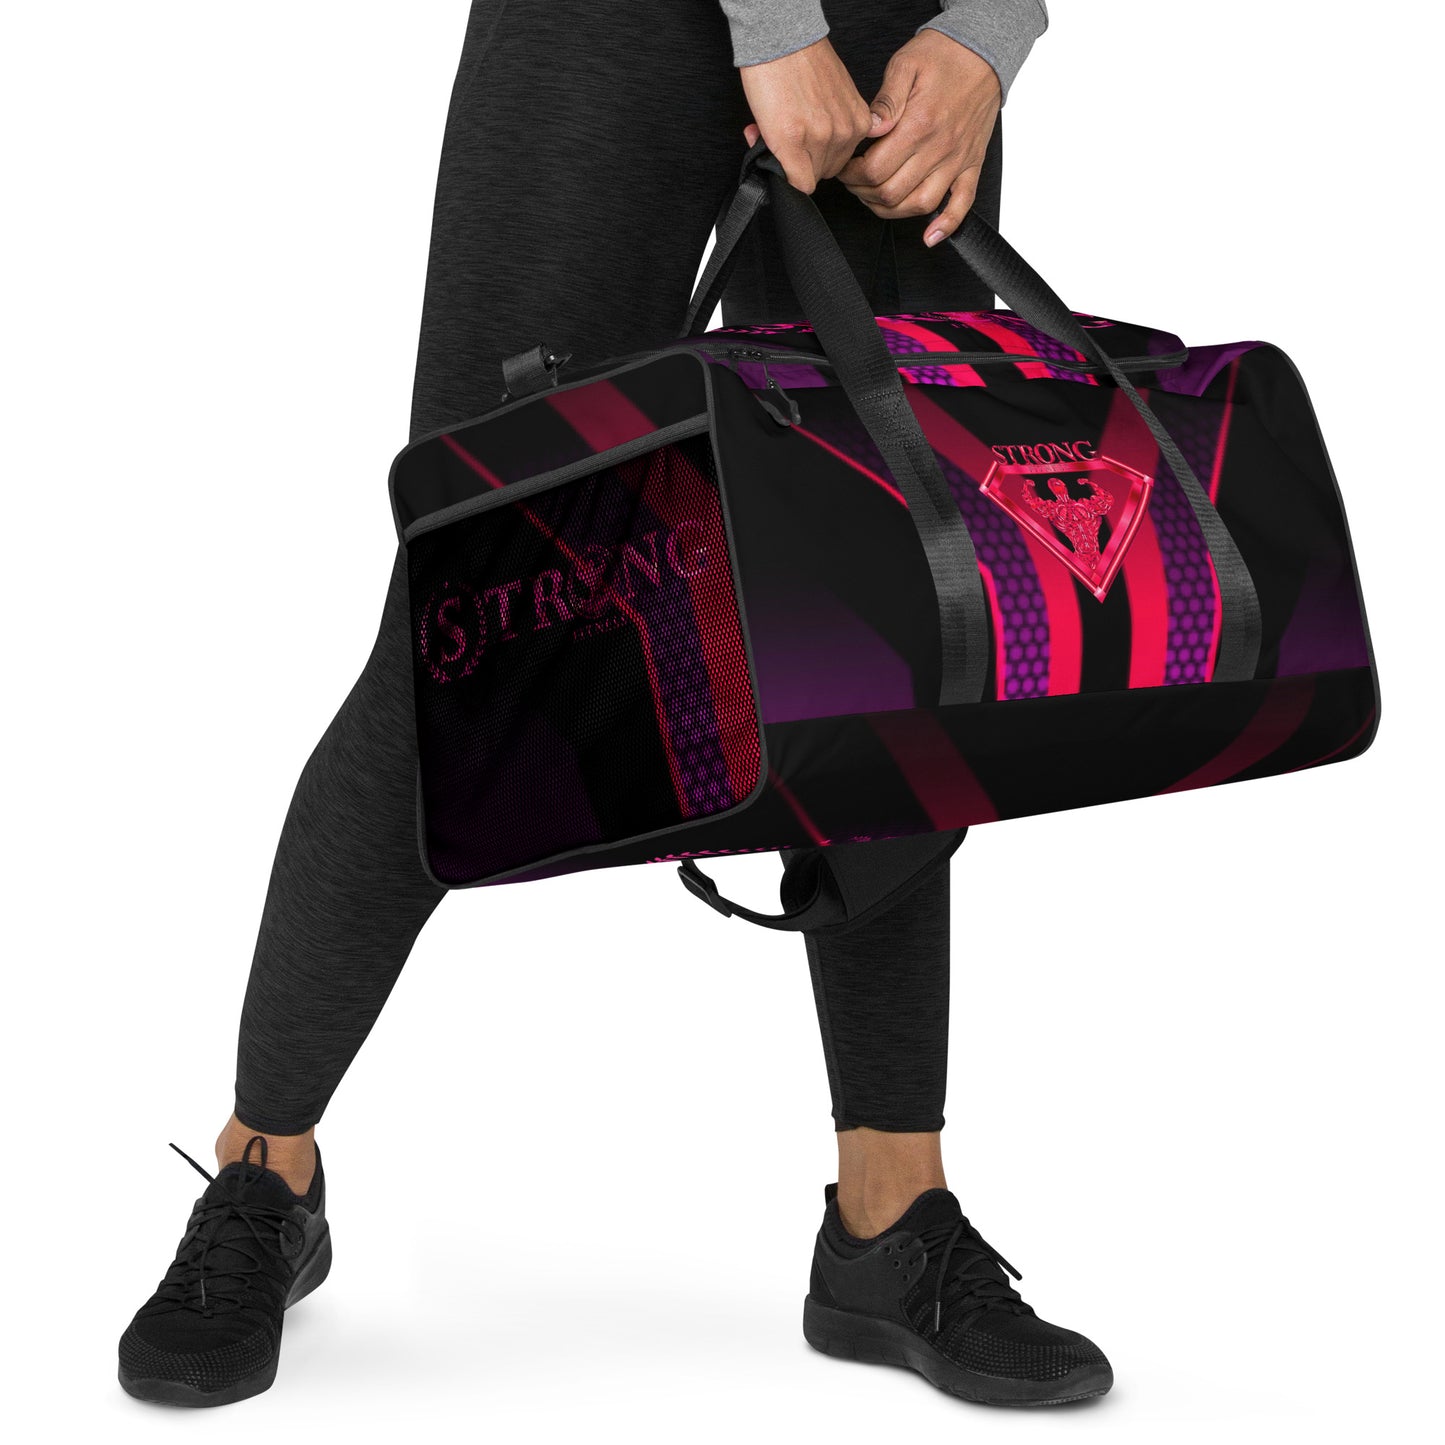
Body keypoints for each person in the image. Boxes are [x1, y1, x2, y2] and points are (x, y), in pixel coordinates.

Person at [119, 0, 1110, 1412]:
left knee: (892, 624)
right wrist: (774, 23)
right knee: (473, 608)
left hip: (910, 50)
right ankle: (263, 1171)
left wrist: (990, 31)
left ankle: (890, 1219)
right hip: (612, 29)